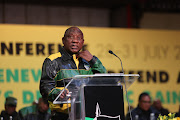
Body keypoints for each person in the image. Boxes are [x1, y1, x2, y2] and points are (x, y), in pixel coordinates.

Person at [40, 26, 107, 120]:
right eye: (71, 37)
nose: (75, 41)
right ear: (63, 40)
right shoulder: (53, 61)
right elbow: (45, 86)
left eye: (78, 38)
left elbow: (105, 79)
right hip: (63, 115)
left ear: (82, 42)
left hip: (87, 114)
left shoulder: (88, 61)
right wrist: (57, 93)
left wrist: (93, 60)